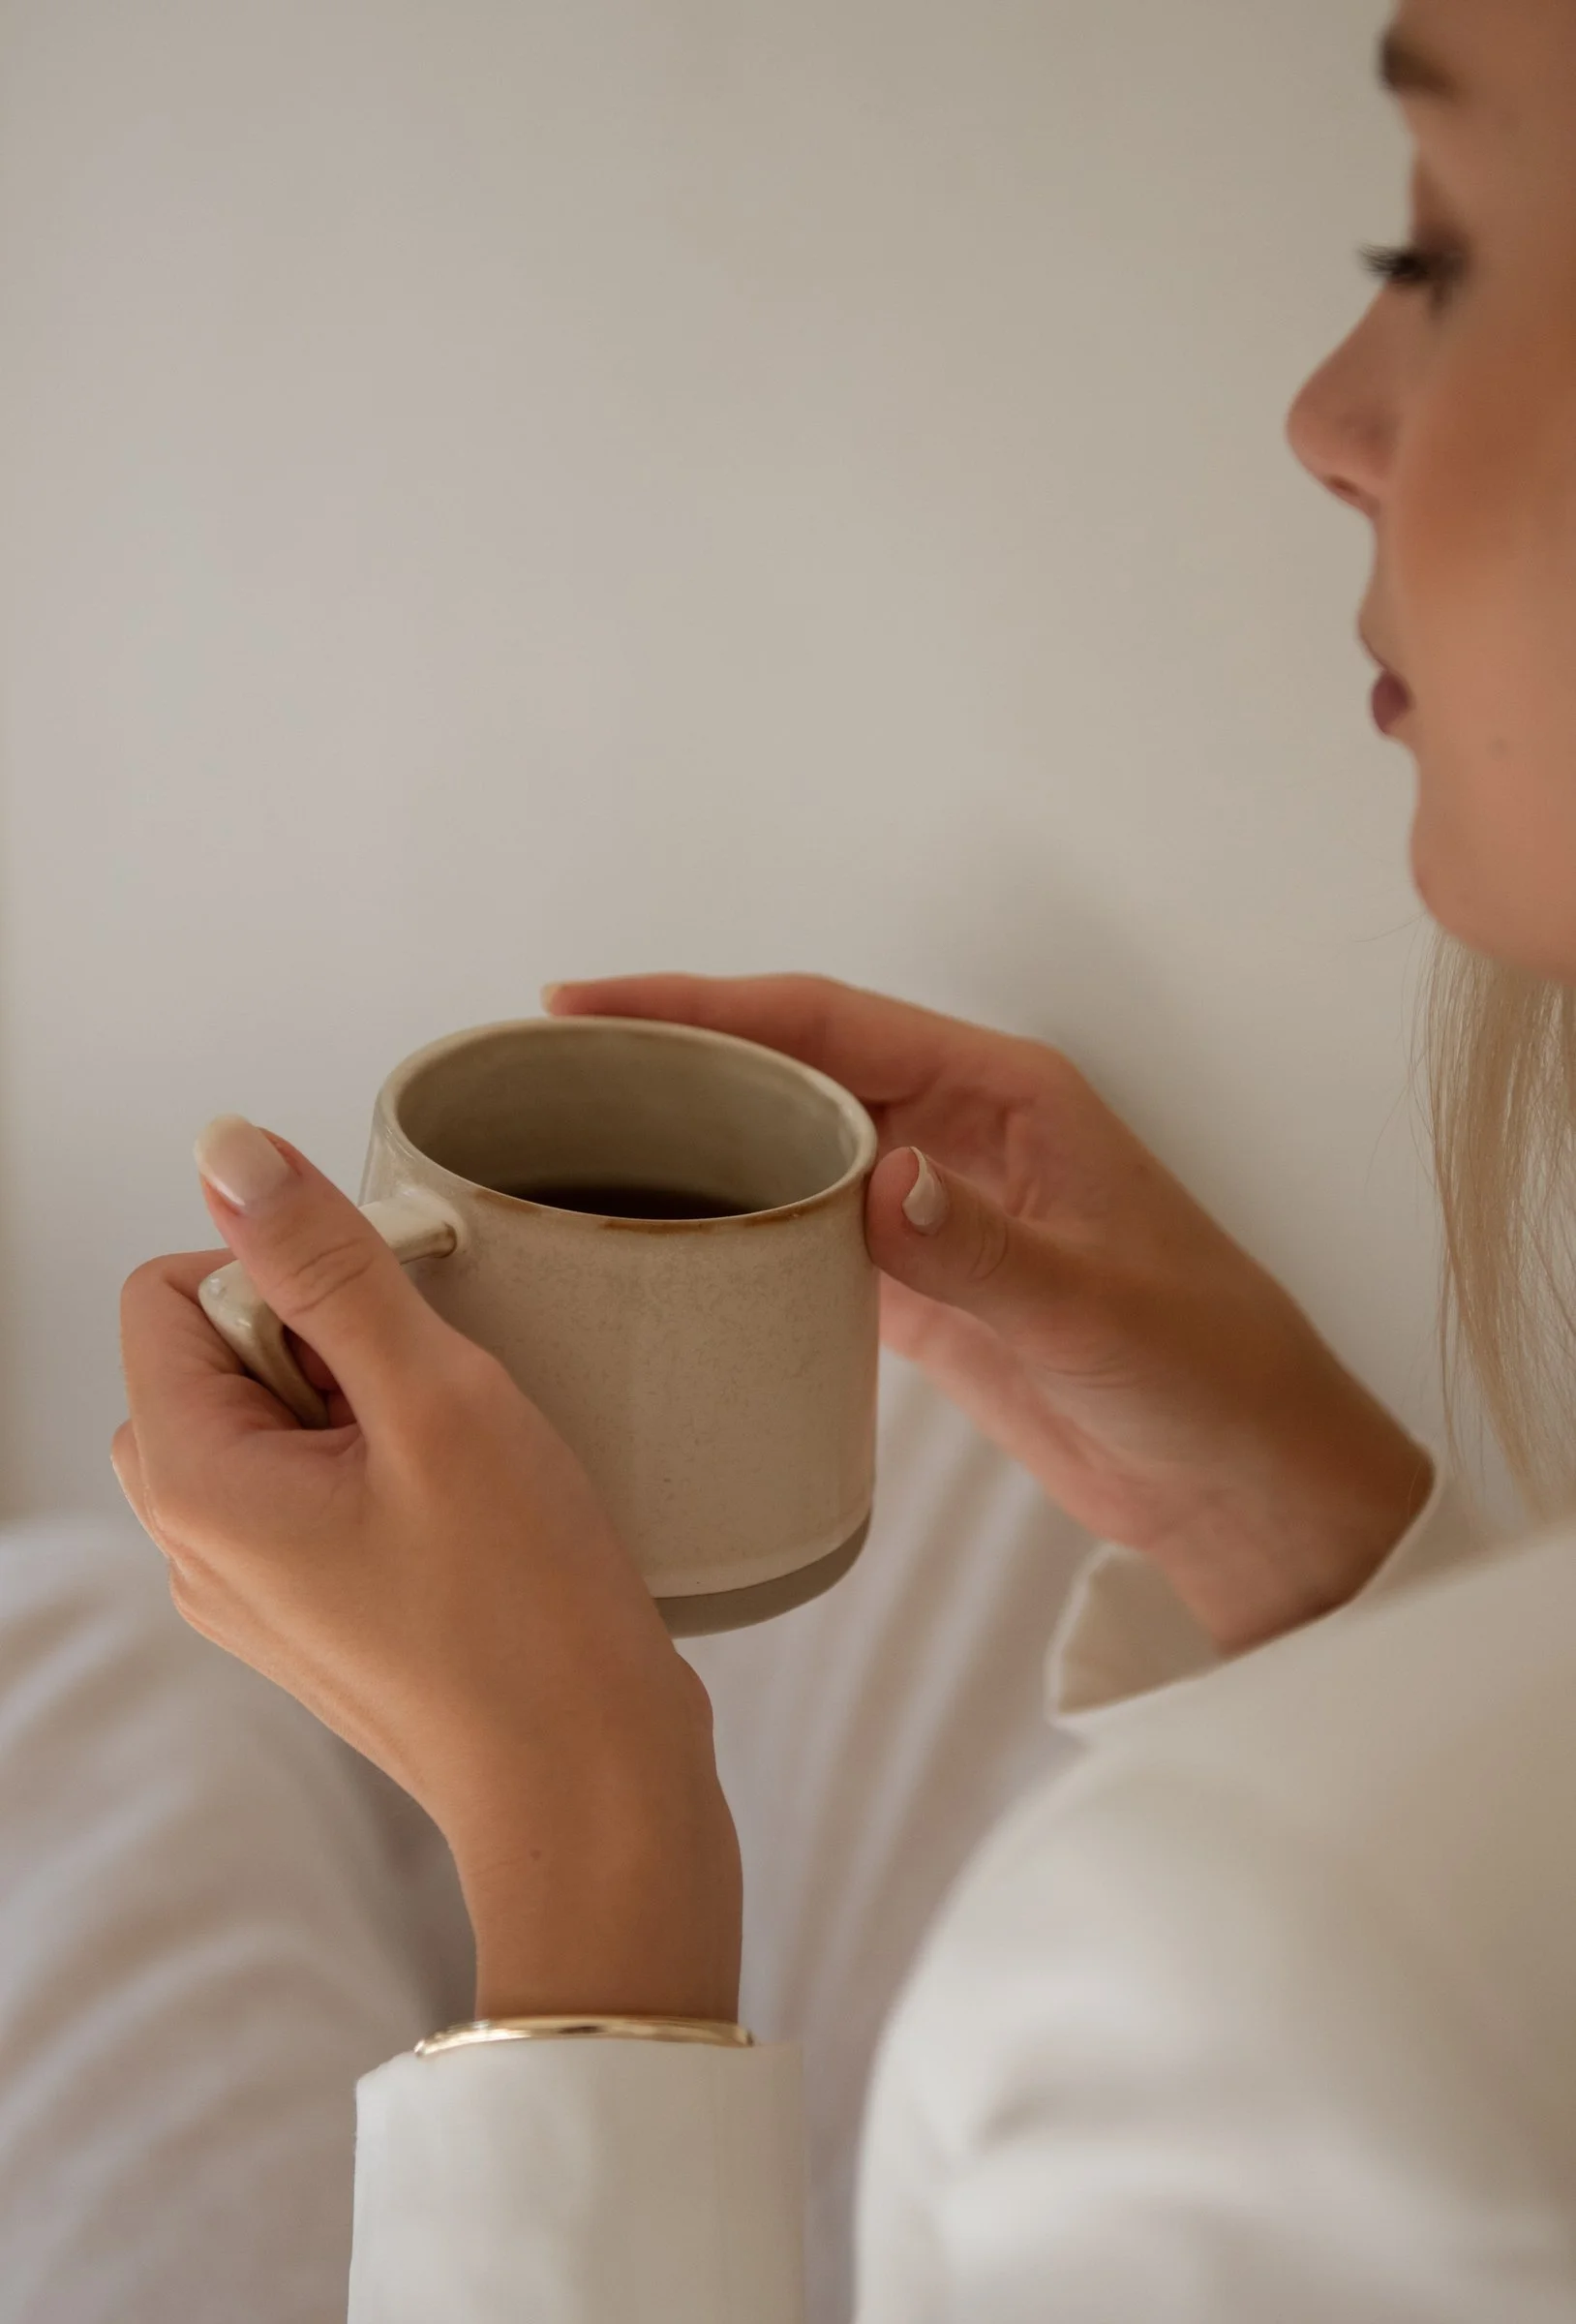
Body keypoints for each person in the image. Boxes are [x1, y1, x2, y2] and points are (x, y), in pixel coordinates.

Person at [112, 0, 1576, 2314]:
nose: (1321, 419)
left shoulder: (1261, 2001)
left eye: (1440, 252)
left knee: (77, 1681)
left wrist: (583, 1896)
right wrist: (1293, 1534)